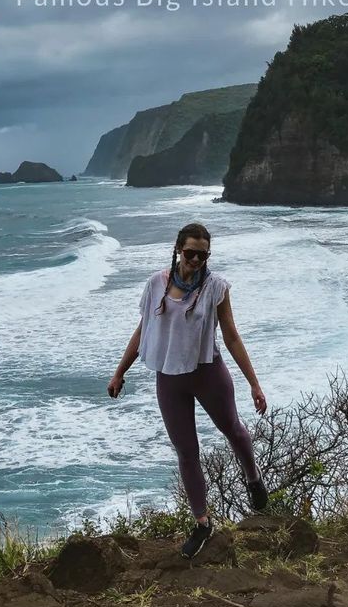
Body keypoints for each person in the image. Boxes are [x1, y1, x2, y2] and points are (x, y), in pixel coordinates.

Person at [108, 221, 268, 558]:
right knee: (187, 451)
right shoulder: (156, 285)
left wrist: (254, 383)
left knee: (234, 431)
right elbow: (143, 332)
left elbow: (232, 336)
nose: (196, 260)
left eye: (203, 255)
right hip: (169, 378)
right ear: (178, 250)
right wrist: (119, 372)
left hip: (207, 373)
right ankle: (202, 523)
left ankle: (253, 478)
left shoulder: (216, 288)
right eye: (190, 253)